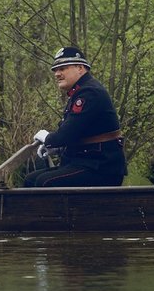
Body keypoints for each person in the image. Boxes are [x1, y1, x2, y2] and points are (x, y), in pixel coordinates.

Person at [26, 46, 127, 187]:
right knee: (31, 179)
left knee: (45, 182)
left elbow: (66, 134)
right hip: (85, 162)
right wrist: (57, 148)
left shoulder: (90, 93)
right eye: (55, 70)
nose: (57, 74)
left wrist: (47, 139)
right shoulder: (80, 92)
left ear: (80, 68)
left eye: (62, 68)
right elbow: (79, 133)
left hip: (101, 168)